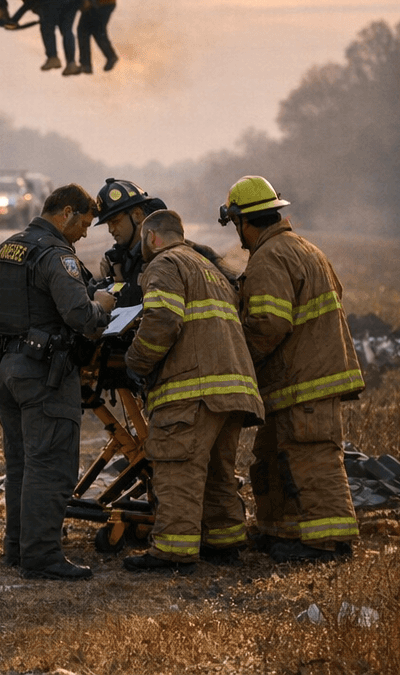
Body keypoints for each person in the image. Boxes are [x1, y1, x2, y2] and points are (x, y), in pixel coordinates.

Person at [220, 176, 364, 564]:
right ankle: (280, 531)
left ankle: (328, 543)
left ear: (244, 221)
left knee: (311, 457)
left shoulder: (269, 257)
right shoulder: (304, 248)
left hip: (305, 382)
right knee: (272, 456)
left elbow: (268, 323)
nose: (239, 237)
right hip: (295, 382)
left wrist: (238, 359)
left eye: (236, 226)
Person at [0, 183, 117, 580]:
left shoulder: (7, 248)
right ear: (67, 213)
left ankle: (18, 549)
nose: (85, 234)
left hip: (6, 370)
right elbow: (83, 318)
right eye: (84, 225)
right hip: (44, 375)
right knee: (51, 466)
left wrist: (3, 356)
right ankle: (41, 557)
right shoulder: (57, 256)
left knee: (21, 463)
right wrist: (104, 305)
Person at [121, 209, 263, 573]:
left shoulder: (165, 264)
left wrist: (135, 362)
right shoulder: (210, 268)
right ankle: (225, 543)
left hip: (192, 390)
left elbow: (163, 321)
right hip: (233, 391)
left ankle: (173, 552)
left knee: (177, 468)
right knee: (218, 469)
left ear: (152, 237)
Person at [93, 178, 227, 307]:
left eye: (115, 221)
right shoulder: (116, 261)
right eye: (108, 224)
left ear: (137, 215)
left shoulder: (181, 253)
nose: (111, 230)